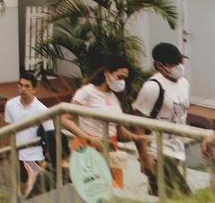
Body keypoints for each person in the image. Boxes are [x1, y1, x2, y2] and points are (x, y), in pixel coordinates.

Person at [63, 55, 152, 187]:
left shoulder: (114, 98)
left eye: (125, 79)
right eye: (119, 77)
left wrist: (137, 138)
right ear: (107, 73)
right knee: (95, 191)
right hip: (89, 146)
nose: (122, 82)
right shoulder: (87, 92)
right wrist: (87, 137)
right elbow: (65, 119)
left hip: (111, 148)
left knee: (114, 191)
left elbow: (118, 130)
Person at [133, 42, 193, 196]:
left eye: (180, 62)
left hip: (176, 151)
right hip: (158, 152)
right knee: (184, 197)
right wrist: (144, 157)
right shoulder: (153, 87)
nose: (179, 66)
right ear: (160, 65)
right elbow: (137, 124)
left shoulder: (184, 83)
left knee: (161, 195)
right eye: (173, 64)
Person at [4, 71, 55, 198]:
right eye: (20, 85)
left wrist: (47, 158)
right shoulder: (10, 105)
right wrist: (9, 152)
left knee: (34, 191)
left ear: (35, 89)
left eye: (27, 86)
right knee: (21, 190)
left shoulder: (42, 110)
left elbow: (50, 135)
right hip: (18, 156)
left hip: (36, 156)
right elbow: (9, 130)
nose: (23, 89)